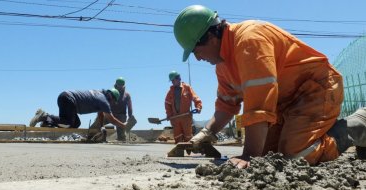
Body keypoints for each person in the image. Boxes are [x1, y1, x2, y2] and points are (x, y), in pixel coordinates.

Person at [173, 5, 366, 168]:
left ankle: (358, 124)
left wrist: (249, 155)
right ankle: (312, 131)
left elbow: (260, 102)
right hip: (283, 104)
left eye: (195, 51)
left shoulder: (249, 39)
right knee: (271, 157)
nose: (197, 57)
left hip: (314, 89)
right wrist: (207, 133)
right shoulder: (223, 65)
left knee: (296, 156)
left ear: (210, 38)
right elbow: (226, 105)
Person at [29, 88, 127, 138]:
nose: (112, 103)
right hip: (68, 99)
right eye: (113, 101)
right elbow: (111, 119)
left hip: (66, 97)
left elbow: (100, 113)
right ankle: (44, 116)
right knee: (68, 123)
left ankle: (48, 122)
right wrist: (124, 125)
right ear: (112, 97)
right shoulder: (104, 101)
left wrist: (101, 126)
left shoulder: (100, 94)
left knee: (76, 124)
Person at [90, 77, 135, 141]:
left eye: (121, 86)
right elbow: (103, 104)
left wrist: (130, 118)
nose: (119, 88)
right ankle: (89, 136)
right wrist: (100, 116)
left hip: (121, 115)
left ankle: (121, 138)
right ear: (115, 85)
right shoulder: (111, 93)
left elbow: (130, 107)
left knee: (122, 135)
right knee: (96, 125)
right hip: (109, 114)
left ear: (123, 86)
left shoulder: (127, 95)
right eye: (118, 86)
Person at [165, 71, 202, 143]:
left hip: (186, 117)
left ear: (178, 78)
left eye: (173, 80)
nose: (172, 82)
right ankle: (179, 153)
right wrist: (169, 115)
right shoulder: (170, 91)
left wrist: (198, 106)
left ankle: (189, 151)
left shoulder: (187, 88)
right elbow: (167, 104)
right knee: (177, 137)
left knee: (188, 136)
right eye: (171, 81)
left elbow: (195, 98)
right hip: (175, 118)